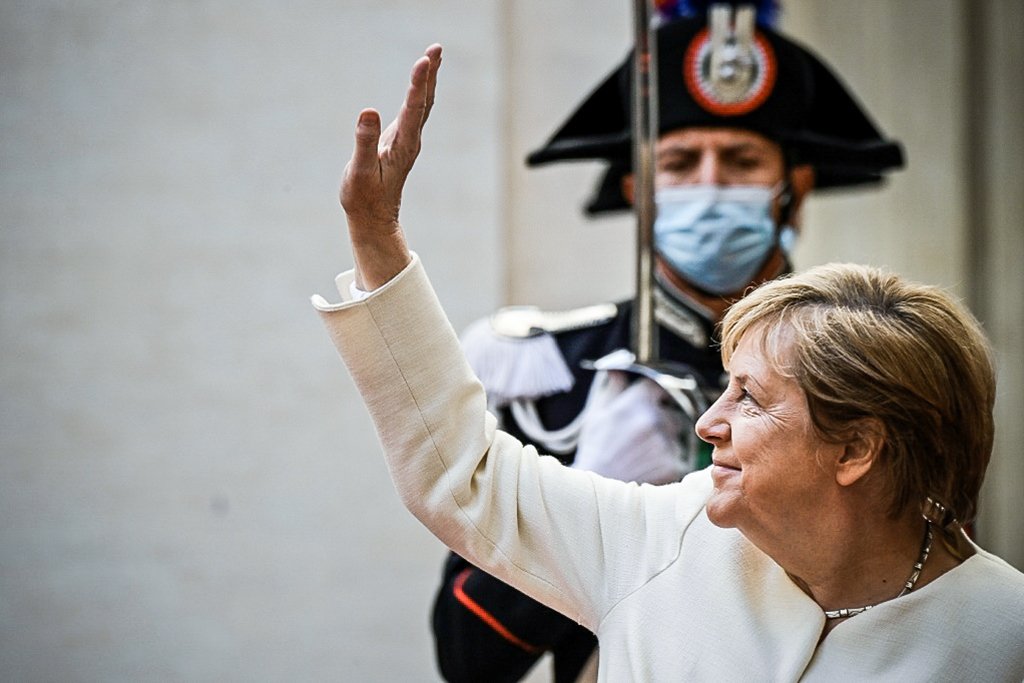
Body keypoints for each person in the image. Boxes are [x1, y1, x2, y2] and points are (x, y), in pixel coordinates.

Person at [312, 44, 1024, 680]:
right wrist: (378, 242)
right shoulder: (661, 528)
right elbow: (462, 493)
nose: (715, 419)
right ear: (639, 192)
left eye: (749, 395)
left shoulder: (1003, 630)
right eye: (681, 163)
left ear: (860, 445)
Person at [430, 2, 904, 680]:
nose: (710, 185)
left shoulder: (876, 368)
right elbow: (469, 659)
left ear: (793, 189)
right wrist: (585, 496)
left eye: (741, 160)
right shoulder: (551, 376)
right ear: (639, 190)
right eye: (681, 161)